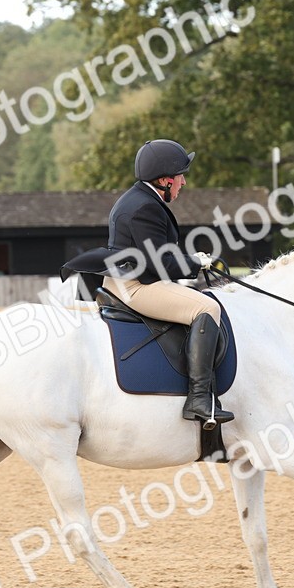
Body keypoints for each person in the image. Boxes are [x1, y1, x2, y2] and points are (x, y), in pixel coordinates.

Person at [101, 139, 233, 429]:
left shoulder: (139, 199)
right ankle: (199, 398)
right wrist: (197, 262)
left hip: (130, 278)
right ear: (164, 180)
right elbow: (159, 263)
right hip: (135, 286)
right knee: (207, 308)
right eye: (180, 176)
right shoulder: (144, 208)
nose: (183, 182)